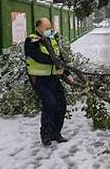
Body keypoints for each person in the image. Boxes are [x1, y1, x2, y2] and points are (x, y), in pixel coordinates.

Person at [24, 17, 74, 146]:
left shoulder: (52, 39)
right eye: (46, 28)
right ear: (38, 27)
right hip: (39, 79)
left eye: (50, 28)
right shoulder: (31, 40)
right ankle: (45, 134)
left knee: (61, 104)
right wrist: (54, 60)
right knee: (50, 104)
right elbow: (38, 57)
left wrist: (67, 72)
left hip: (53, 77)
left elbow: (59, 57)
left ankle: (56, 133)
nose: (49, 30)